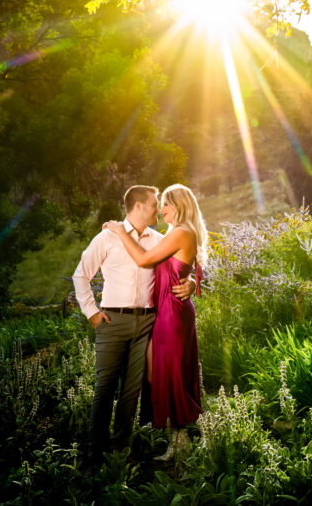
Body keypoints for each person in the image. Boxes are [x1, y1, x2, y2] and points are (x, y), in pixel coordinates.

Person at [71, 185, 194, 463]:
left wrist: (192, 283)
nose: (158, 210)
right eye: (153, 204)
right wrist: (91, 313)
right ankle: (94, 454)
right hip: (113, 320)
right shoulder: (106, 238)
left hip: (149, 322)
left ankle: (120, 451)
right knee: (105, 388)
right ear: (138, 206)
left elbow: (184, 264)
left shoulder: (159, 239)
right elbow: (81, 276)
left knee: (132, 391)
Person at [105, 183, 208, 460]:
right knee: (156, 374)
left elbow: (143, 259)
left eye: (165, 204)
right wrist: (194, 281)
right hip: (164, 311)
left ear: (178, 206)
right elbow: (188, 266)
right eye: (160, 204)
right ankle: (175, 434)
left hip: (173, 313)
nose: (161, 210)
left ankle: (180, 439)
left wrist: (118, 231)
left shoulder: (182, 232)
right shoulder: (174, 233)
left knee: (170, 372)